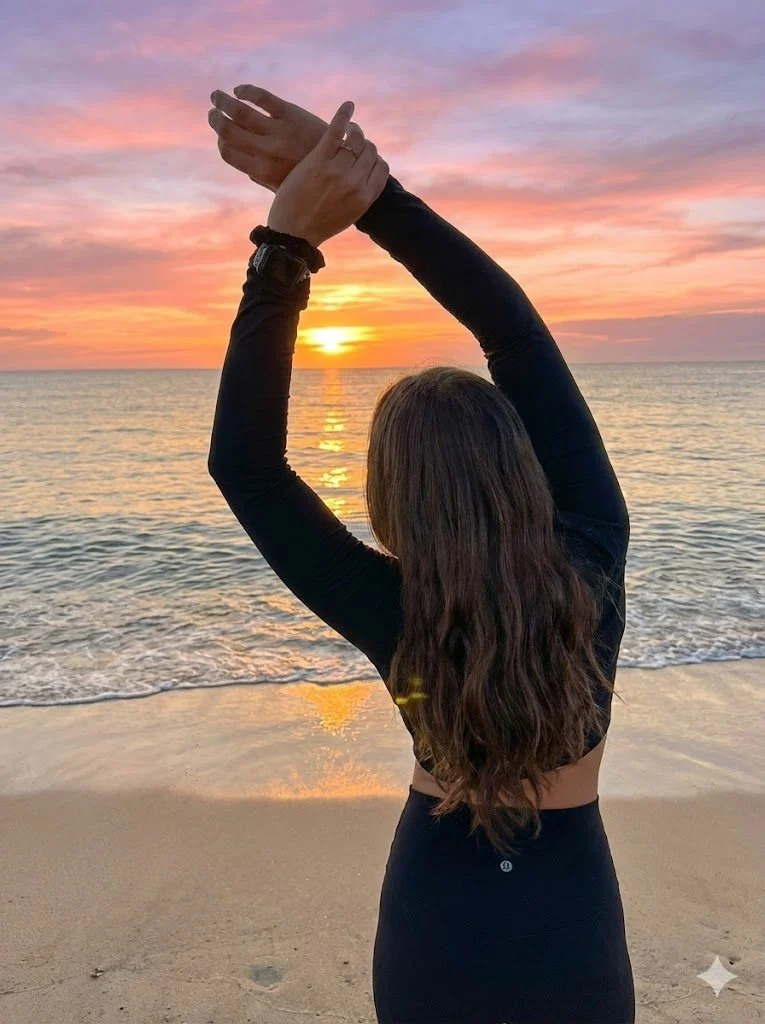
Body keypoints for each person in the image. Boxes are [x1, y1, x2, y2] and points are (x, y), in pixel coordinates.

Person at [206, 88, 635, 1024]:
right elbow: (511, 329)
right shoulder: (593, 553)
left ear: (388, 502)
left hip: (436, 913)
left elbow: (245, 465)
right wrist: (374, 198)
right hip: (572, 920)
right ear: (522, 466)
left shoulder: (388, 607)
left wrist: (286, 248)